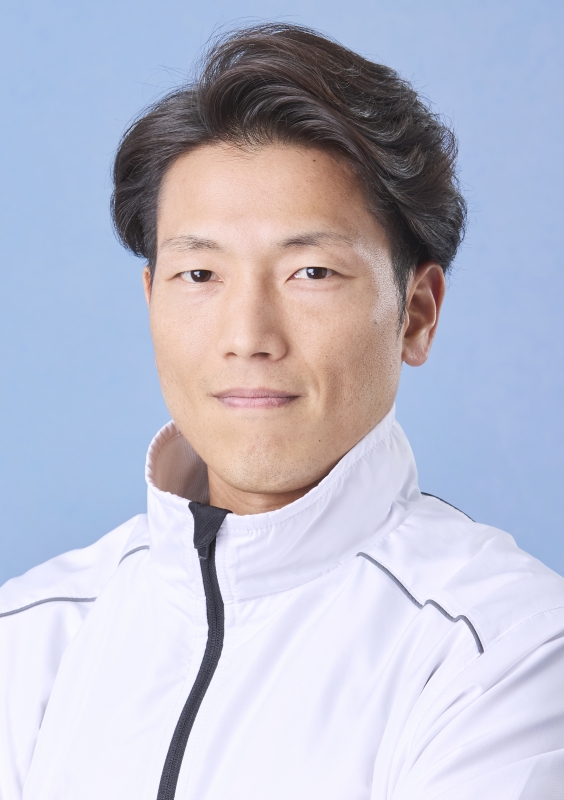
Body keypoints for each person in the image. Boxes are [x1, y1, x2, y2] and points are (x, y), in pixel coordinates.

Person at [1, 23, 563, 800]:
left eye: (311, 271)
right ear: (151, 300)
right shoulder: (28, 638)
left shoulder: (505, 646)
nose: (249, 336)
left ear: (417, 313)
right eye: (200, 274)